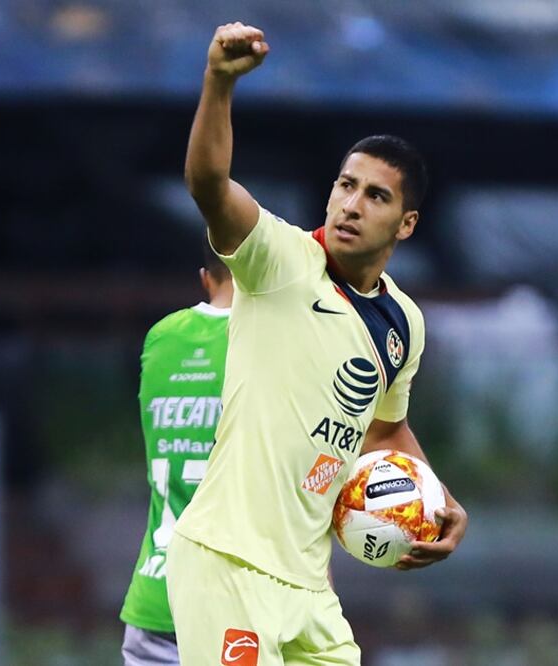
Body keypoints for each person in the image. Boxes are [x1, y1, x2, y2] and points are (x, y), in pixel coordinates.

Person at [166, 22, 469, 665]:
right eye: (345, 185)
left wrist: (436, 498)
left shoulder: (403, 322)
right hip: (229, 564)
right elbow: (209, 184)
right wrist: (219, 82)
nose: (352, 205)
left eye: (376, 196)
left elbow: (385, 430)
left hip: (309, 585)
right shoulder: (278, 260)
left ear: (406, 224)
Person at [119, 245, 234, 665]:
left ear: (205, 277)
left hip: (155, 597)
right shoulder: (269, 344)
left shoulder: (161, 338)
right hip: (236, 609)